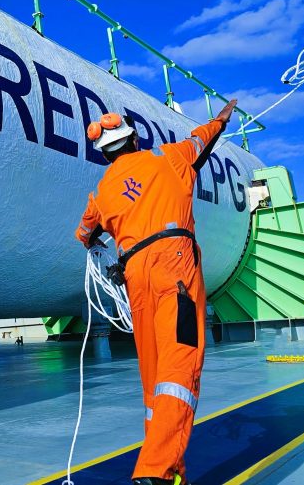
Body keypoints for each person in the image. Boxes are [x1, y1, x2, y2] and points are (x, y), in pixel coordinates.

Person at [75, 99, 237, 485]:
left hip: (135, 276)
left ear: (105, 153)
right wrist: (221, 120)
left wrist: (101, 235)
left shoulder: (101, 191)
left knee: (153, 372)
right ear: (133, 139)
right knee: (180, 364)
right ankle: (157, 471)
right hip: (174, 265)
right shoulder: (168, 157)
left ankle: (168, 463)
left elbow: (84, 233)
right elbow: (202, 140)